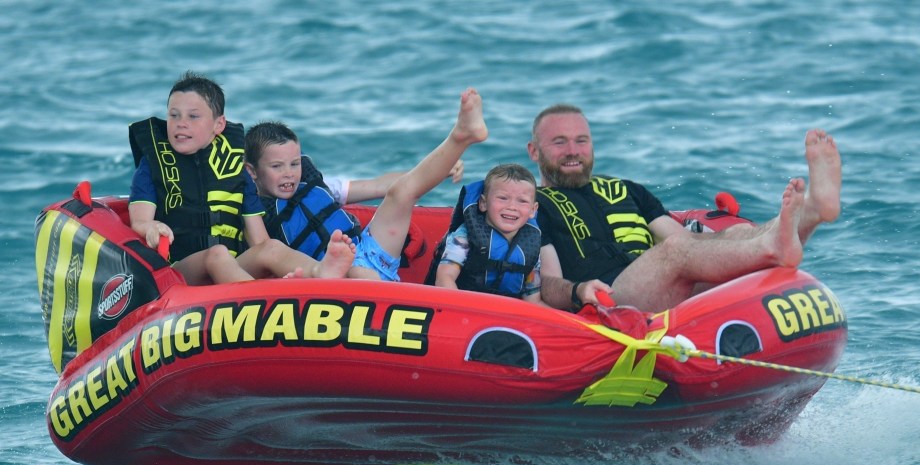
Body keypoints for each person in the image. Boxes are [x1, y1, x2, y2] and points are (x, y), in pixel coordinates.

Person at [527, 103, 842, 312]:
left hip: (662, 287)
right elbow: (548, 284)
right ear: (534, 151)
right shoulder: (532, 205)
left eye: (581, 141)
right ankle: (774, 246)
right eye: (559, 142)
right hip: (611, 298)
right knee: (676, 251)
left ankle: (813, 212)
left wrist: (731, 239)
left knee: (734, 234)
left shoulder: (625, 189)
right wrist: (579, 291)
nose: (573, 151)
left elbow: (689, 243)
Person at [128, 71, 356, 285]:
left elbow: (259, 240)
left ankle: (319, 272)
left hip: (232, 266)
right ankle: (261, 301)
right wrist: (152, 227)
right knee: (217, 255)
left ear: (219, 124)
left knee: (271, 247)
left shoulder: (235, 168)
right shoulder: (153, 164)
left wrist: (272, 266)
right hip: (180, 272)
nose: (181, 123)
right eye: (173, 115)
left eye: (193, 116)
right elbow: (139, 220)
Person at [244, 87, 488, 281]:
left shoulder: (316, 183)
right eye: (277, 167)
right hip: (331, 274)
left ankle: (461, 136)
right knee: (357, 272)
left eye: (294, 164)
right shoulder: (256, 211)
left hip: (368, 250)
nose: (289, 174)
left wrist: (442, 170)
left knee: (401, 192)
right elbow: (263, 250)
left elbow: (378, 186)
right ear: (252, 171)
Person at [434, 163, 544, 303]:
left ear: (533, 210)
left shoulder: (531, 246)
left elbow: (532, 300)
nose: (512, 207)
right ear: (483, 203)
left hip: (505, 317)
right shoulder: (464, 237)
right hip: (462, 308)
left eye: (522, 201)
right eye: (503, 198)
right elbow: (444, 279)